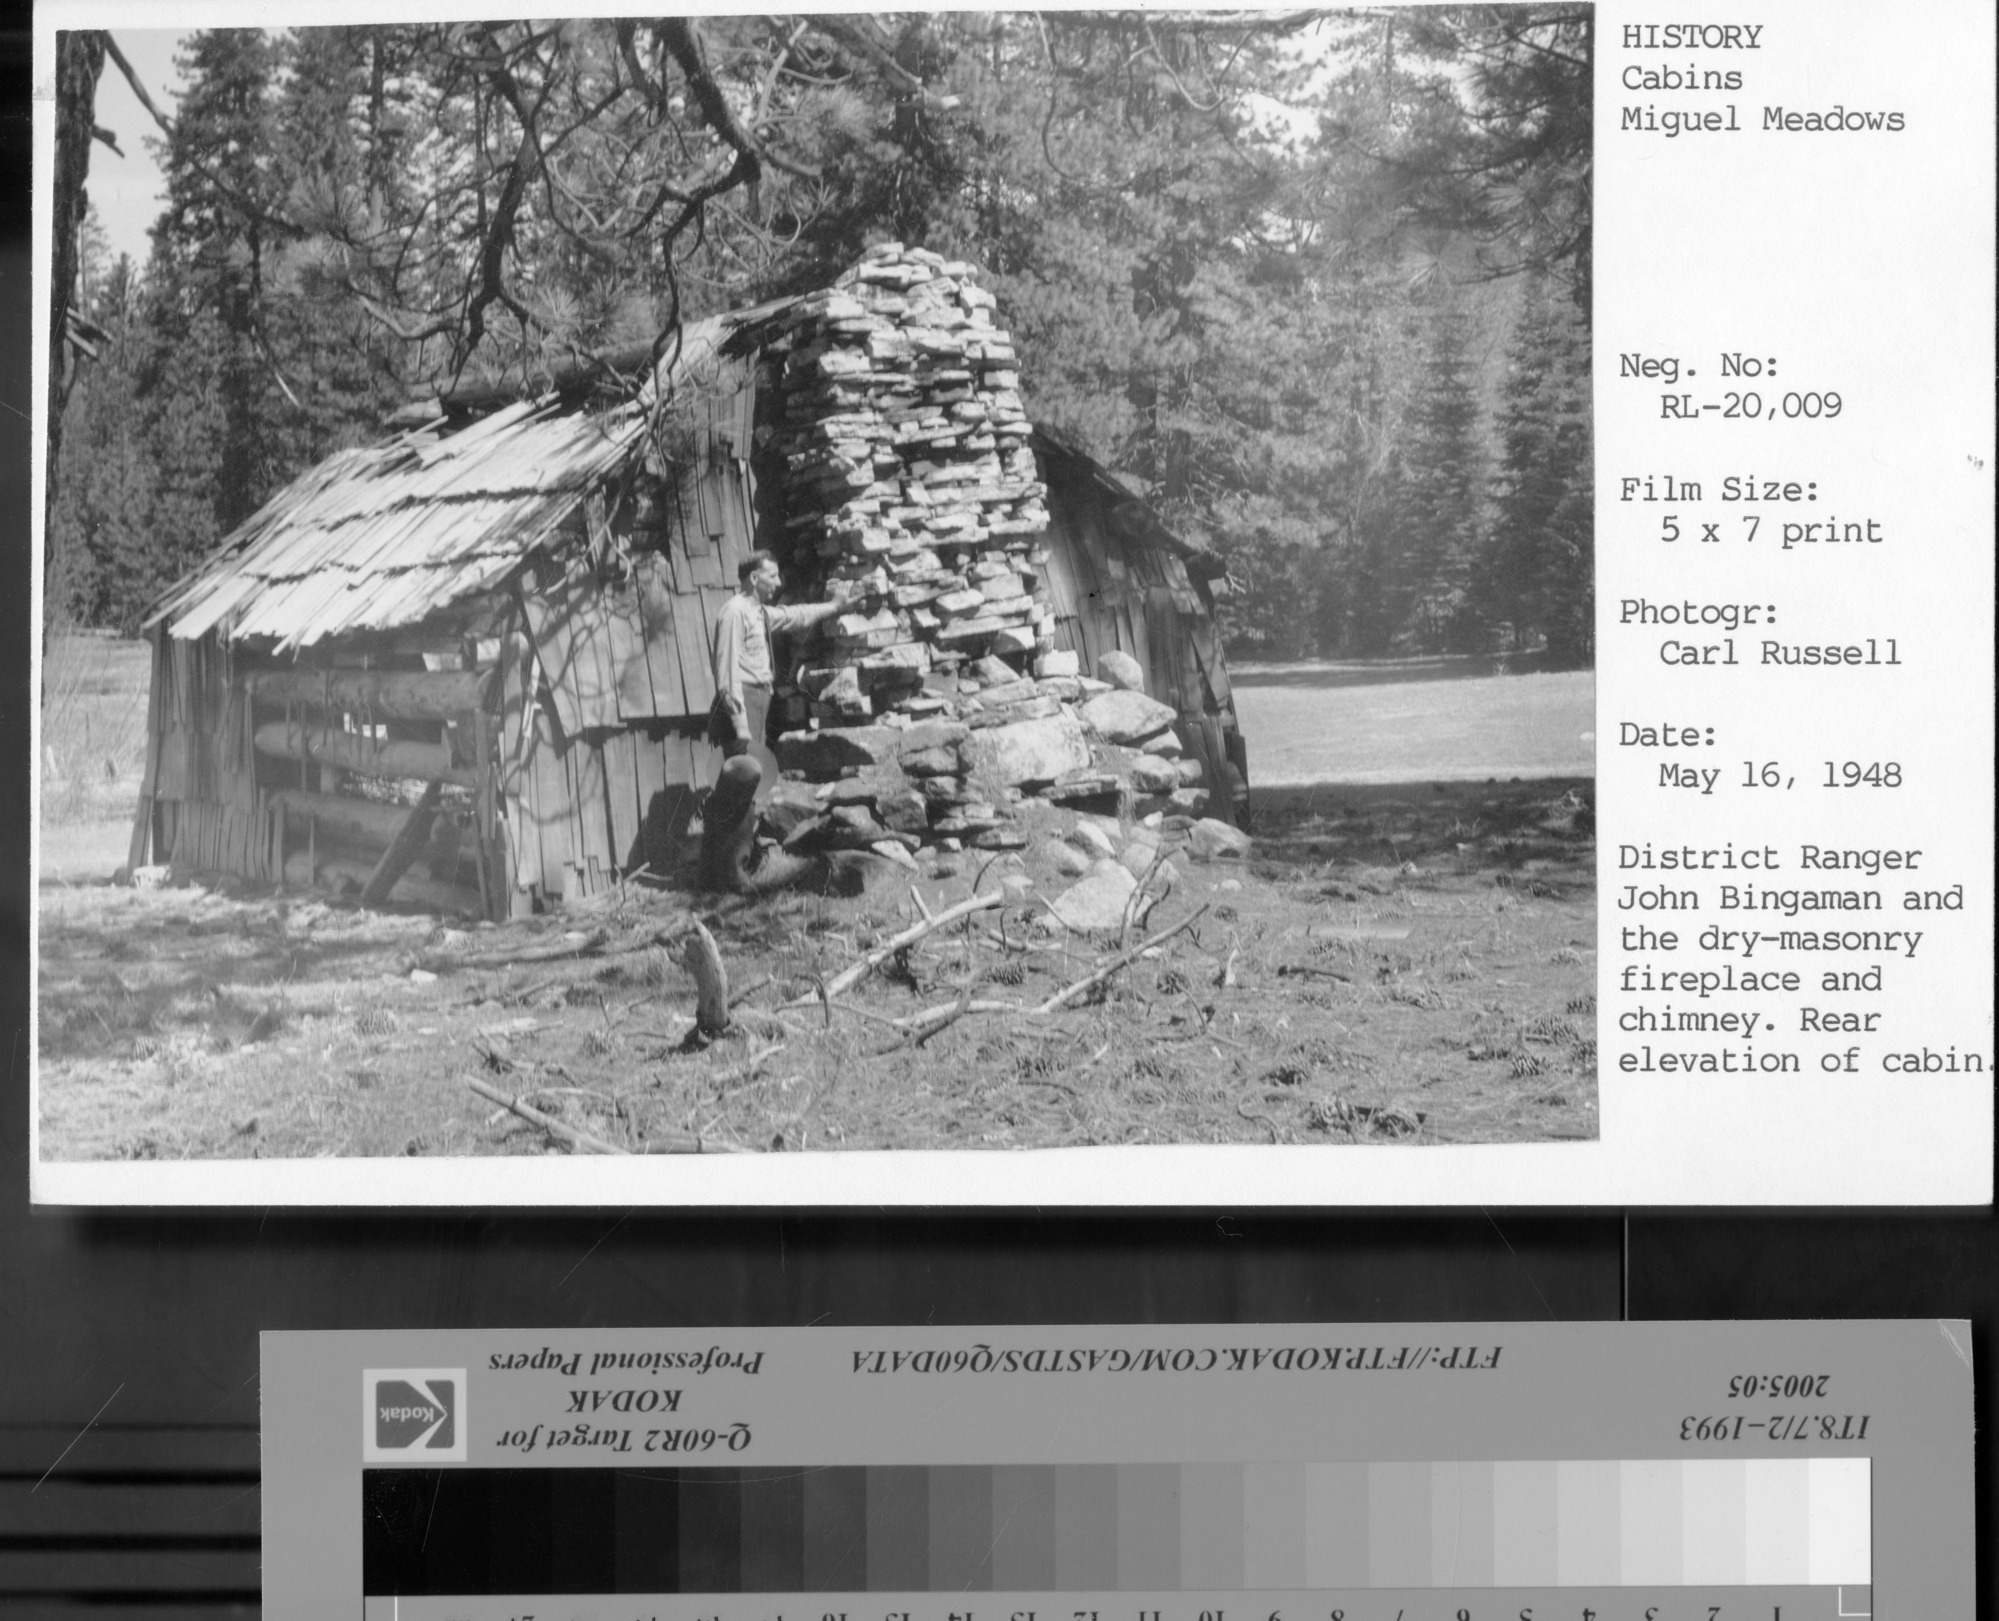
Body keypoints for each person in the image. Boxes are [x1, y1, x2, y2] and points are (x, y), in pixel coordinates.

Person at [708, 550, 839, 794]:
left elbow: (795, 615)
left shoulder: (760, 612)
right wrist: (740, 724)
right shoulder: (735, 611)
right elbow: (726, 672)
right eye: (773, 576)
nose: (778, 583)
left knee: (750, 777)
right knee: (741, 778)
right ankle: (735, 831)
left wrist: (834, 607)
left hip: (758, 702)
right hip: (744, 703)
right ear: (755, 578)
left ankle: (744, 827)